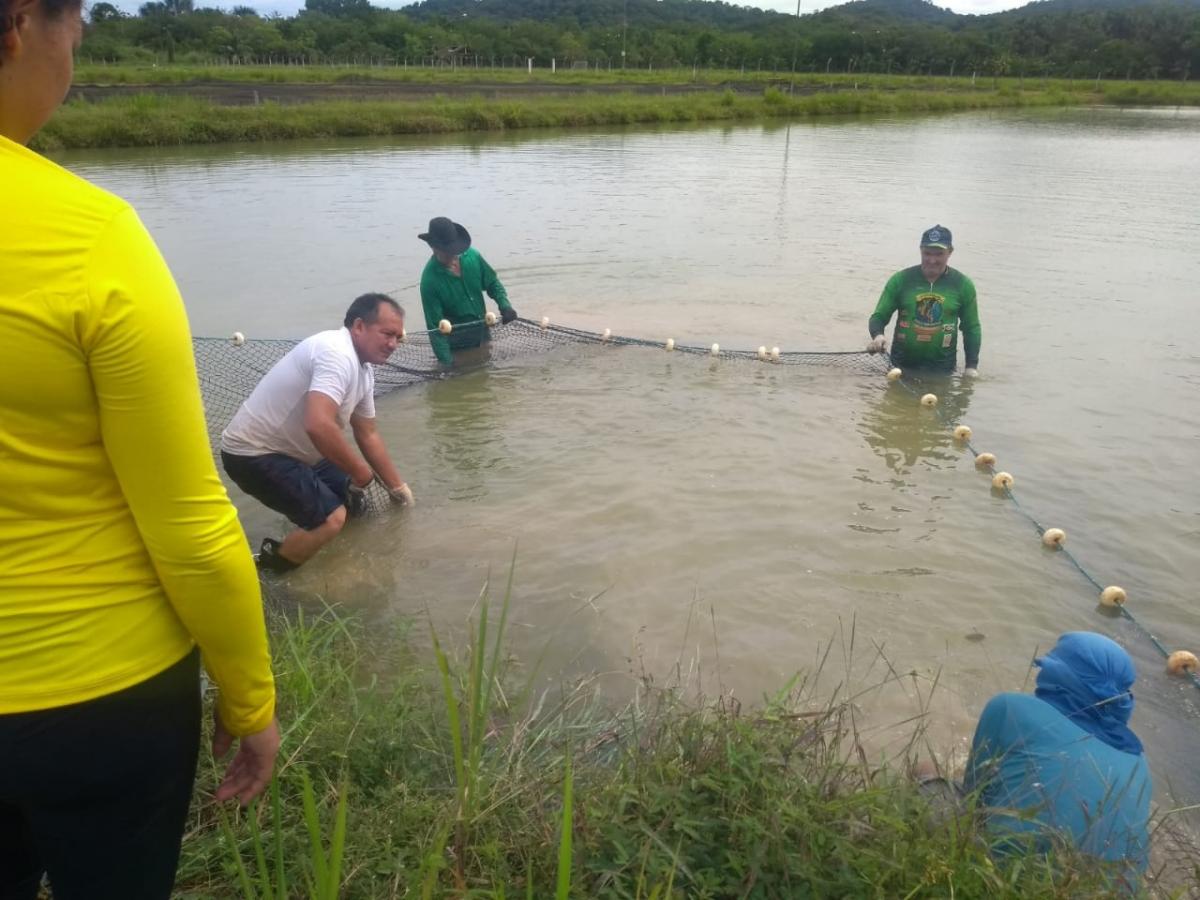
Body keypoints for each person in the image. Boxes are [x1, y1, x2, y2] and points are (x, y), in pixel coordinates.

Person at [0, 0, 279, 895]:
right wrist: (250, 698)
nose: (77, 42)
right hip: (96, 690)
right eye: (73, 19)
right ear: (17, 25)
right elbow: (191, 524)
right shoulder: (89, 238)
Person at [221, 293, 415, 572]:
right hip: (253, 453)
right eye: (387, 334)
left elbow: (367, 433)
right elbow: (318, 424)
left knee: (354, 506)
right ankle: (269, 573)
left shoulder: (365, 370)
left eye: (398, 337)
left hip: (297, 452)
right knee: (332, 518)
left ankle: (338, 561)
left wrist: (399, 489)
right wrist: (362, 472)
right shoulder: (336, 352)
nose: (393, 344)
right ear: (359, 326)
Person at [964, 632, 1152, 886]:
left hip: (1008, 882)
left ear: (1057, 674)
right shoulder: (1139, 762)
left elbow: (972, 799)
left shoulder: (1009, 706)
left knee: (926, 771)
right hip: (1107, 891)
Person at [868, 225, 981, 375]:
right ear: (920, 250)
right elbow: (878, 316)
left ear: (950, 252)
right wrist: (878, 335)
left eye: (939, 254)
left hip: (943, 369)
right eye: (927, 253)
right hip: (900, 366)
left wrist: (971, 367)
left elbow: (971, 328)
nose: (932, 260)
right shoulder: (901, 280)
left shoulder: (962, 284)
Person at [418, 216, 518, 367]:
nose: (454, 256)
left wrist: (505, 305)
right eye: (448, 252)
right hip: (457, 347)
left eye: (455, 250)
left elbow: (492, 283)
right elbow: (435, 330)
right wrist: (447, 364)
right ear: (434, 247)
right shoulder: (429, 281)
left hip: (483, 336)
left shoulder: (473, 256)